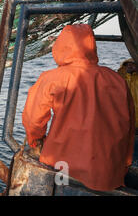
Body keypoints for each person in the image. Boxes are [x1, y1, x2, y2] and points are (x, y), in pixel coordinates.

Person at [22, 24, 135, 192]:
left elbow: (33, 120)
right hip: (108, 172)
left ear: (61, 46)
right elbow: (128, 126)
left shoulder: (51, 79)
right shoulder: (117, 80)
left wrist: (35, 141)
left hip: (64, 168)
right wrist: (124, 164)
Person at [118, 59, 138, 130]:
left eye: (133, 64)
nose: (129, 66)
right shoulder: (119, 79)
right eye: (127, 64)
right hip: (126, 122)